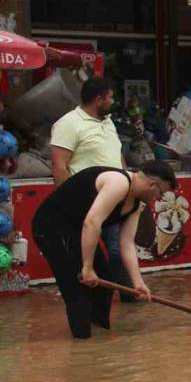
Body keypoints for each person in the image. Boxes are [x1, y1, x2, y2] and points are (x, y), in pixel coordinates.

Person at [31, 161, 177, 339]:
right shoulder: (118, 183)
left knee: (104, 280)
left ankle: (99, 338)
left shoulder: (137, 204)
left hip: (77, 230)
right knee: (78, 289)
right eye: (160, 194)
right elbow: (92, 222)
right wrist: (87, 267)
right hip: (51, 227)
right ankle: (82, 344)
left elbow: (127, 243)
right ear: (152, 184)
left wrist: (138, 282)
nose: (158, 198)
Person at [50, 77, 137, 301]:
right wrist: (67, 204)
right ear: (98, 99)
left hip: (115, 196)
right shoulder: (68, 124)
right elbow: (60, 167)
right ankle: (90, 299)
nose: (113, 101)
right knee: (87, 254)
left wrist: (129, 185)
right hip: (86, 200)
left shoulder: (107, 122)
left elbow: (117, 156)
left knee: (117, 250)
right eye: (110, 97)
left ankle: (129, 295)